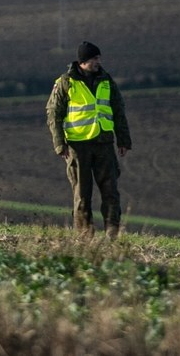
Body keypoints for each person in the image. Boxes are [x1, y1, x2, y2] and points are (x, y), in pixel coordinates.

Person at [46, 41, 132, 238]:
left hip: (104, 143)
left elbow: (119, 110)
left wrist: (123, 140)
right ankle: (85, 234)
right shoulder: (65, 82)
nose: (98, 62)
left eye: (98, 58)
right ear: (82, 61)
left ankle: (112, 231)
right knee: (82, 194)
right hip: (78, 146)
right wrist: (60, 144)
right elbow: (53, 114)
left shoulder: (106, 81)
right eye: (94, 58)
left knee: (111, 191)